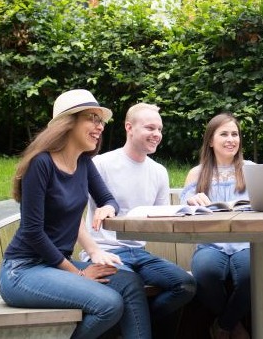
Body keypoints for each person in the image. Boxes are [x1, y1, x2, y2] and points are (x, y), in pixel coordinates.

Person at [0, 89, 151, 339]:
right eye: (92, 118)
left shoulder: (83, 163)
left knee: (131, 284)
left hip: (55, 267)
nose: (99, 126)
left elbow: (108, 199)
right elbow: (32, 232)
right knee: (108, 303)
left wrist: (107, 209)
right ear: (67, 124)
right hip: (23, 271)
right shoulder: (41, 164)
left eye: (100, 120)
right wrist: (79, 275)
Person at [82, 103, 197, 338]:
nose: (157, 134)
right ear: (129, 128)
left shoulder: (159, 172)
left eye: (160, 129)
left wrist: (189, 209)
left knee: (186, 285)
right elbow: (71, 211)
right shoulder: (100, 164)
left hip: (139, 253)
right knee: (131, 283)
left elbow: (161, 221)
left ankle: (134, 326)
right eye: (150, 127)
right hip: (106, 252)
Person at [180, 113, 254, 339]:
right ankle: (235, 325)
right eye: (224, 134)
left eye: (235, 134)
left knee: (252, 275)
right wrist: (190, 202)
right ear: (210, 140)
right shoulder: (197, 173)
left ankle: (223, 326)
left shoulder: (251, 169)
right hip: (210, 244)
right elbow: (183, 213)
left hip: (246, 243)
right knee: (205, 273)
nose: (231, 139)